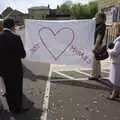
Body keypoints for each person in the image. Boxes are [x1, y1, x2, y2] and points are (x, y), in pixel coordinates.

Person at [0, 18, 28, 114]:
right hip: (15, 70)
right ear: (13, 26)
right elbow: (22, 55)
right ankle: (18, 109)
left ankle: (11, 107)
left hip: (3, 69)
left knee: (8, 89)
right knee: (17, 90)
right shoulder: (15, 38)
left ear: (3, 26)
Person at [89, 12, 106, 80]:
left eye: (97, 17)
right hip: (98, 45)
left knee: (95, 61)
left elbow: (99, 37)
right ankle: (98, 74)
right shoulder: (100, 24)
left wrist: (95, 47)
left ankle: (95, 75)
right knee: (97, 60)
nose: (96, 18)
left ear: (101, 18)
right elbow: (92, 20)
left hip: (97, 45)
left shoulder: (101, 26)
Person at [107, 34, 120, 100]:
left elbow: (115, 52)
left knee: (116, 79)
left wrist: (108, 50)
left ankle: (114, 94)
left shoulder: (119, 41)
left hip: (117, 62)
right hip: (117, 61)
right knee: (117, 79)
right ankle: (117, 93)